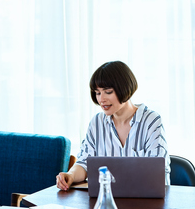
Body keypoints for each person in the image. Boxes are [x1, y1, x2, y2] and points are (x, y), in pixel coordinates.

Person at [56, 61, 170, 190]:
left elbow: (158, 172)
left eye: (108, 92)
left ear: (125, 88)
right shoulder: (97, 123)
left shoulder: (151, 121)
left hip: (146, 202)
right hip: (107, 199)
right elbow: (84, 163)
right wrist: (70, 175)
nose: (101, 99)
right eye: (97, 93)